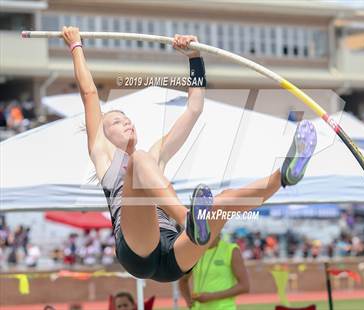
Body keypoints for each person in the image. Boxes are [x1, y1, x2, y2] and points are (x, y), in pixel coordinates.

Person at [63, 26, 317, 283]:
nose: (127, 122)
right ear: (103, 136)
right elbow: (89, 94)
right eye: (117, 121)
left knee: (224, 202)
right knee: (139, 160)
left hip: (175, 255)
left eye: (128, 119)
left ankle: (284, 176)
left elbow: (194, 108)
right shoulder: (104, 158)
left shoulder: (155, 156)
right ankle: (188, 218)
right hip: (137, 251)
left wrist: (194, 59)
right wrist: (76, 46)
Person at [179, 233, 249, 309]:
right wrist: (188, 301)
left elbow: (244, 286)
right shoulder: (195, 251)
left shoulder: (231, 250)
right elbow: (183, 280)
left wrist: (211, 297)